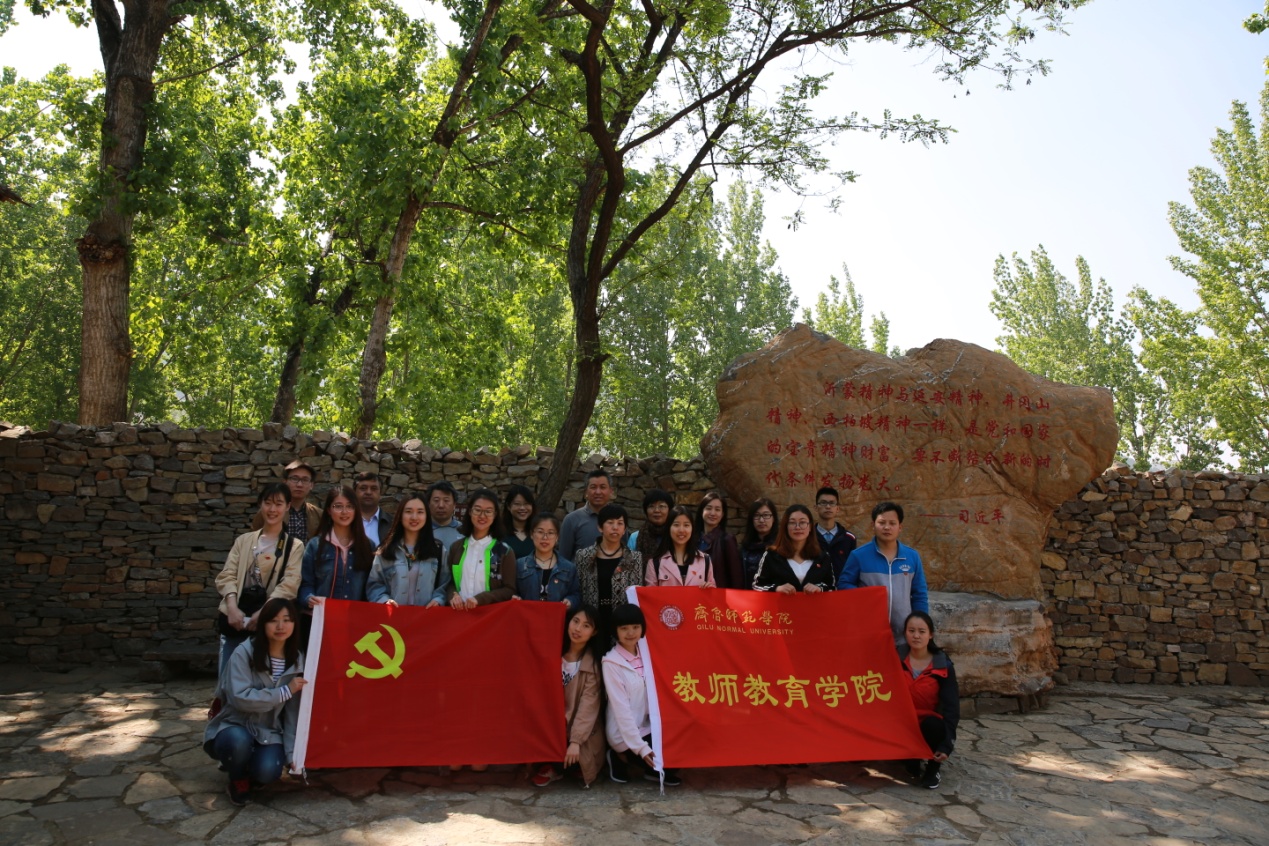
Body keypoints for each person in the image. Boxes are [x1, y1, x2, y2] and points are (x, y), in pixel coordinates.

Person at [204, 597, 306, 806]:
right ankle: (237, 777)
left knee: (268, 772)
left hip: (269, 731)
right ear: (262, 624)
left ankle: (251, 769)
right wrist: (284, 691)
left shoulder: (297, 660)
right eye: (273, 620)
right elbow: (240, 698)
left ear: (295, 624)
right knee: (237, 742)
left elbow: (293, 713)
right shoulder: (244, 652)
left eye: (287, 620)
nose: (281, 626)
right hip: (235, 724)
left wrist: (291, 755)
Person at [217, 483, 305, 673]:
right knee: (227, 679)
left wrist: (264, 611)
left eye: (279, 504)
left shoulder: (294, 546)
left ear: (288, 506)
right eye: (268, 503)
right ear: (260, 504)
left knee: (264, 678)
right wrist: (232, 607)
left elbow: (290, 584)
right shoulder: (243, 541)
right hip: (236, 619)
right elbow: (227, 575)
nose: (272, 509)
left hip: (270, 623)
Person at [602, 604, 680, 787]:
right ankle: (618, 756)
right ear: (615, 631)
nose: (631, 633)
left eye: (635, 627)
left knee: (679, 754)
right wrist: (641, 748)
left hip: (647, 726)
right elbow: (621, 711)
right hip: (623, 734)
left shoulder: (647, 653)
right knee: (667, 765)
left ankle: (651, 770)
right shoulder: (611, 663)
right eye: (624, 628)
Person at [532, 604, 607, 788]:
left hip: (578, 729)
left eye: (586, 626)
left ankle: (561, 766)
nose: (578, 629)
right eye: (575, 621)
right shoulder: (552, 652)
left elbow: (588, 708)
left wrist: (575, 741)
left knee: (578, 756)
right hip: (551, 726)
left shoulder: (593, 666)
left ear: (594, 632)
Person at [837, 501, 929, 645]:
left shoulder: (912, 557)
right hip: (869, 634)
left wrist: (921, 624)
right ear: (873, 525)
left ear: (900, 527)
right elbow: (843, 584)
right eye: (882, 523)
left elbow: (920, 594)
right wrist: (866, 596)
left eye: (892, 523)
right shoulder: (859, 556)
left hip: (903, 637)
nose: (887, 527)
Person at [299, 487, 374, 643]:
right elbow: (305, 583)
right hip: (318, 623)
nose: (344, 512)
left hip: (354, 624)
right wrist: (308, 598)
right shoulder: (315, 545)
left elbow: (372, 586)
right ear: (328, 510)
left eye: (349, 506)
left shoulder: (368, 546)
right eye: (338, 506)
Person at [898, 611, 959, 789]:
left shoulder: (943, 665)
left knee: (934, 726)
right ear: (905, 633)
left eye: (922, 631)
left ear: (930, 634)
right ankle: (911, 758)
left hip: (927, 723)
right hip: (902, 722)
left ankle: (933, 768)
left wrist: (947, 745)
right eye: (911, 631)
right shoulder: (895, 658)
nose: (916, 636)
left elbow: (952, 708)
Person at [367, 491, 450, 607]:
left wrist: (438, 599)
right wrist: (384, 600)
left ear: (427, 516)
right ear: (400, 515)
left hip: (426, 616)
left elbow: (445, 584)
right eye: (408, 511)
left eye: (420, 512)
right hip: (394, 616)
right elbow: (374, 584)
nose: (414, 517)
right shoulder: (386, 550)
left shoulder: (437, 550)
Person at [576, 503, 643, 641]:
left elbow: (636, 594)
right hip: (591, 620)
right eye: (610, 523)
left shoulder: (634, 558)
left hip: (622, 623)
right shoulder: (584, 556)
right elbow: (579, 590)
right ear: (600, 527)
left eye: (620, 523)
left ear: (624, 529)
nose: (615, 527)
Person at [444, 488, 516, 609]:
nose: (482, 516)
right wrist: (453, 595)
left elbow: (510, 590)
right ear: (470, 511)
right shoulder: (456, 548)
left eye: (488, 511)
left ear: (495, 515)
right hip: (459, 614)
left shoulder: (504, 551)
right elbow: (449, 582)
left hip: (489, 615)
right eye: (477, 510)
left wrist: (480, 599)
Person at [752, 504, 834, 593]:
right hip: (781, 602)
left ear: (810, 526)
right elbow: (756, 585)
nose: (797, 527)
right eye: (792, 523)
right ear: (786, 526)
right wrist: (776, 588)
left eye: (802, 522)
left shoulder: (822, 556)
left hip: (814, 603)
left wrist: (819, 588)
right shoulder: (771, 555)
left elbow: (832, 587)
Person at [513, 514, 581, 609]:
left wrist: (570, 601)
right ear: (532, 534)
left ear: (557, 537)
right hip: (527, 616)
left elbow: (576, 594)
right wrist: (516, 598)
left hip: (556, 617)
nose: (545, 537)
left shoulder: (568, 568)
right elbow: (513, 591)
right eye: (540, 532)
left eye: (550, 533)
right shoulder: (520, 565)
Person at [645, 505, 715, 588]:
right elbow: (650, 595)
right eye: (676, 525)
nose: (681, 530)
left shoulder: (705, 560)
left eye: (686, 525)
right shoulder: (655, 563)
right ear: (668, 528)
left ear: (692, 528)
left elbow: (713, 592)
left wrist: (710, 589)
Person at [251, 459, 319, 539]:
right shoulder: (268, 512)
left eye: (305, 480)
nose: (299, 484)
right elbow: (254, 538)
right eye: (294, 479)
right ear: (285, 481)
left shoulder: (318, 514)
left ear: (311, 485)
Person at [559, 469, 616, 559]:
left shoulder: (618, 519)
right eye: (593, 487)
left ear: (611, 491)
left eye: (602, 487)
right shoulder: (572, 520)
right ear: (586, 492)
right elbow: (563, 559)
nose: (598, 492)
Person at [696, 490, 742, 589]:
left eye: (717, 509)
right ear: (702, 511)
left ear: (722, 514)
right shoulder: (693, 539)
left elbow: (736, 578)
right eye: (709, 508)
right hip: (693, 593)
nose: (713, 513)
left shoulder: (727, 540)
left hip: (718, 595)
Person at [813, 486, 857, 583]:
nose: (828, 507)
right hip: (815, 589)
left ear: (837, 508)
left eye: (832, 503)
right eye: (823, 503)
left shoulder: (849, 538)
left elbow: (853, 568)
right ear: (816, 508)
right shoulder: (808, 536)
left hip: (842, 588)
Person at [739, 498, 778, 589]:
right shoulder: (745, 548)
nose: (761, 520)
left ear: (774, 518)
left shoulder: (780, 546)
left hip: (774, 595)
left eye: (766, 515)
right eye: (756, 515)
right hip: (747, 595)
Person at [627, 489, 673, 565]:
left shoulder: (676, 536)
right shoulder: (635, 537)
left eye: (661, 506)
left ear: (670, 510)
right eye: (651, 506)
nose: (657, 510)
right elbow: (630, 566)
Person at [354, 471, 392, 548]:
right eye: (363, 488)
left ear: (380, 493)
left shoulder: (392, 524)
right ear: (354, 492)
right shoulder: (344, 521)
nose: (368, 492)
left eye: (374, 488)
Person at [501, 484, 537, 560]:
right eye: (517, 504)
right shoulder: (499, 533)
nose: (522, 508)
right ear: (508, 506)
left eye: (526, 504)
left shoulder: (538, 532)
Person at [427, 481, 464, 553]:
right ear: (428, 504)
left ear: (454, 505)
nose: (441, 505)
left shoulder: (464, 531)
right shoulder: (420, 530)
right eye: (436, 500)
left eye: (446, 500)